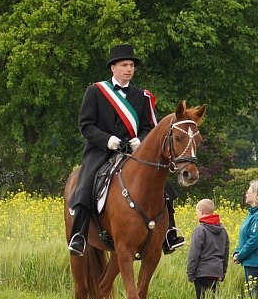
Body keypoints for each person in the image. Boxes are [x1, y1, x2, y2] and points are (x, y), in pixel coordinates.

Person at [67, 44, 185, 256]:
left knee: (162, 185)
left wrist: (140, 140)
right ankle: (80, 235)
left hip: (133, 151)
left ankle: (170, 233)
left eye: (131, 65)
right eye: (124, 65)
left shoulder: (142, 96)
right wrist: (108, 140)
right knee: (85, 183)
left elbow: (148, 126)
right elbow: (85, 125)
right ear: (113, 68)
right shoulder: (95, 91)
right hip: (101, 150)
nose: (129, 69)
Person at [186, 199, 230, 299]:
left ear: (200, 211)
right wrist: (223, 272)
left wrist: (190, 273)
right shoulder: (223, 230)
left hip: (202, 272)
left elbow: (194, 254)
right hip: (217, 272)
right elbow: (226, 253)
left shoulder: (200, 230)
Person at [232, 179, 258, 298]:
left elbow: (254, 239)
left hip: (255, 263)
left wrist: (240, 255)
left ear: (256, 195)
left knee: (254, 296)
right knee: (251, 295)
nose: (246, 194)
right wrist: (237, 252)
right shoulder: (251, 214)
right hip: (249, 261)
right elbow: (245, 236)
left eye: (249, 192)